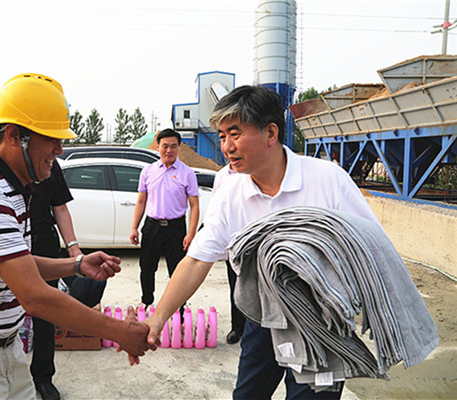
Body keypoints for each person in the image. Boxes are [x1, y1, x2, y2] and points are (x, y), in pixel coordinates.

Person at [0, 73, 153, 399]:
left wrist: (75, 265)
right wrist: (120, 331)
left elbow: (17, 264)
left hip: (0, 349)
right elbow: (35, 297)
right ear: (15, 135)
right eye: (51, 138)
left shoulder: (12, 187)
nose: (60, 150)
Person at [144, 85, 381, 399]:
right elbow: (198, 259)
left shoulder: (327, 180)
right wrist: (158, 318)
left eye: (235, 134)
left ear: (271, 133)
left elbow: (371, 245)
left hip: (321, 322)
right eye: (222, 136)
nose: (226, 147)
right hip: (262, 317)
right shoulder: (231, 193)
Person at [29, 159, 107, 400]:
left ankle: (43, 377)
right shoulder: (0, 168)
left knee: (46, 310)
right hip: (10, 244)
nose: (57, 150)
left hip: (43, 243)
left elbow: (60, 207)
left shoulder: (50, 164)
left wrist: (74, 250)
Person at [129, 128, 199, 309]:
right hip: (152, 226)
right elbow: (141, 201)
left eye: (173, 146)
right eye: (165, 146)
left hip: (176, 228)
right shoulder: (148, 171)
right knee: (147, 267)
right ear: (158, 147)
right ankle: (146, 301)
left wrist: (191, 233)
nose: (169, 150)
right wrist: (134, 227)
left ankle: (179, 307)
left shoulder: (187, 173)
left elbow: (194, 205)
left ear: (179, 148)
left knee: (178, 271)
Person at [212, 163, 246, 345]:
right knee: (236, 288)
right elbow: (217, 208)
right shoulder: (222, 175)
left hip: (257, 241)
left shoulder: (255, 172)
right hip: (233, 242)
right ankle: (237, 328)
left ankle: (258, 330)